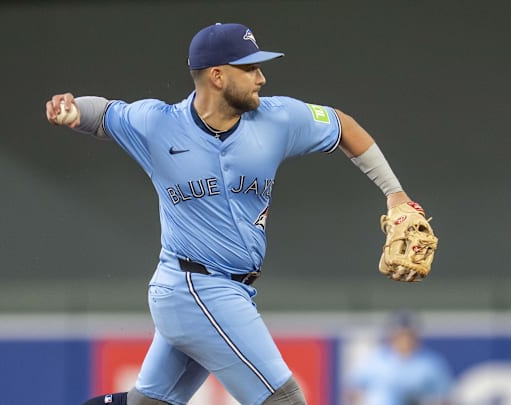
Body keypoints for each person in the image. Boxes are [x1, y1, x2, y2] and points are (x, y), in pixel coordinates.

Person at [45, 22, 425, 405]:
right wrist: (73, 109)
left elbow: (343, 126)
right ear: (217, 76)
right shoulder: (157, 124)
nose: (261, 77)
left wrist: (396, 194)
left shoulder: (278, 120)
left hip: (232, 289)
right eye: (250, 68)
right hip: (193, 286)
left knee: (148, 404)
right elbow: (106, 114)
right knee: (284, 400)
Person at [344, 312, 454, 405]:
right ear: (392, 335)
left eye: (408, 334)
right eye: (400, 334)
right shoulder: (375, 360)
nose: (405, 340)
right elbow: (353, 389)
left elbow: (445, 397)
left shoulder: (430, 363)